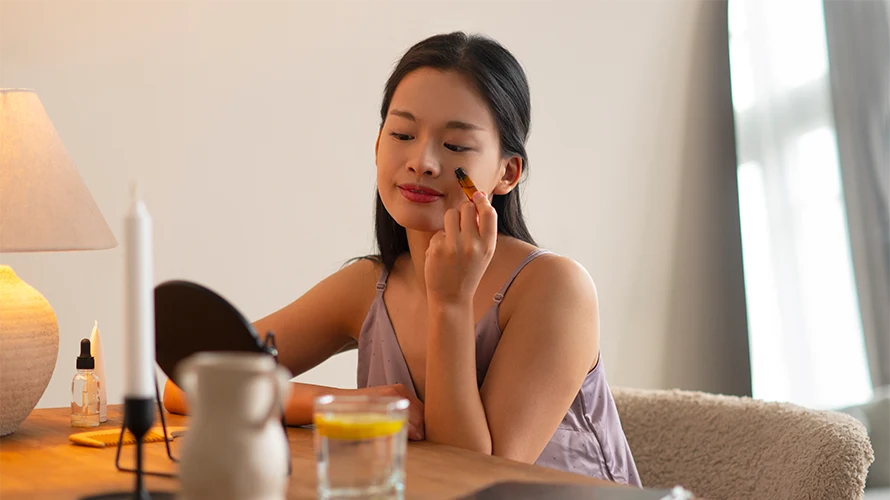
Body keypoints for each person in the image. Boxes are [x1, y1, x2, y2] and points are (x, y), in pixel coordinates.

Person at [163, 31, 640, 486]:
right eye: (402, 134)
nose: (423, 161)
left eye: (455, 145)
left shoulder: (555, 289)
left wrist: (451, 302)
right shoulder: (370, 285)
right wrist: (343, 404)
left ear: (507, 172)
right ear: (377, 147)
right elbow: (189, 381)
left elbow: (471, 475)